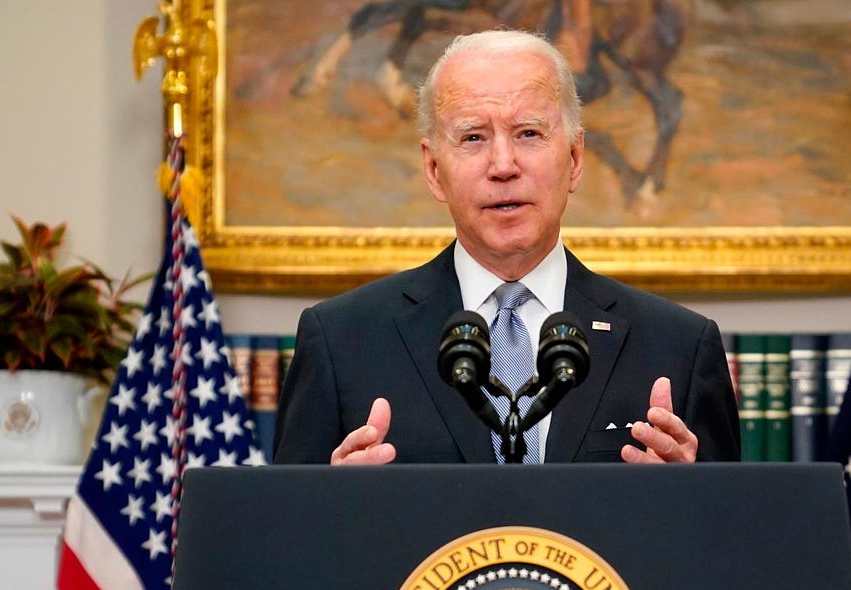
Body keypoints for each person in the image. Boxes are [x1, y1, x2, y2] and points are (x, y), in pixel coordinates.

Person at [272, 29, 739, 465]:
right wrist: (329, 503)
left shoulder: (678, 346)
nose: (503, 165)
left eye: (528, 134)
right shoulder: (341, 341)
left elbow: (731, 542)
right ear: (435, 170)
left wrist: (691, 496)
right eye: (473, 137)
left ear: (575, 159)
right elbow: (286, 538)